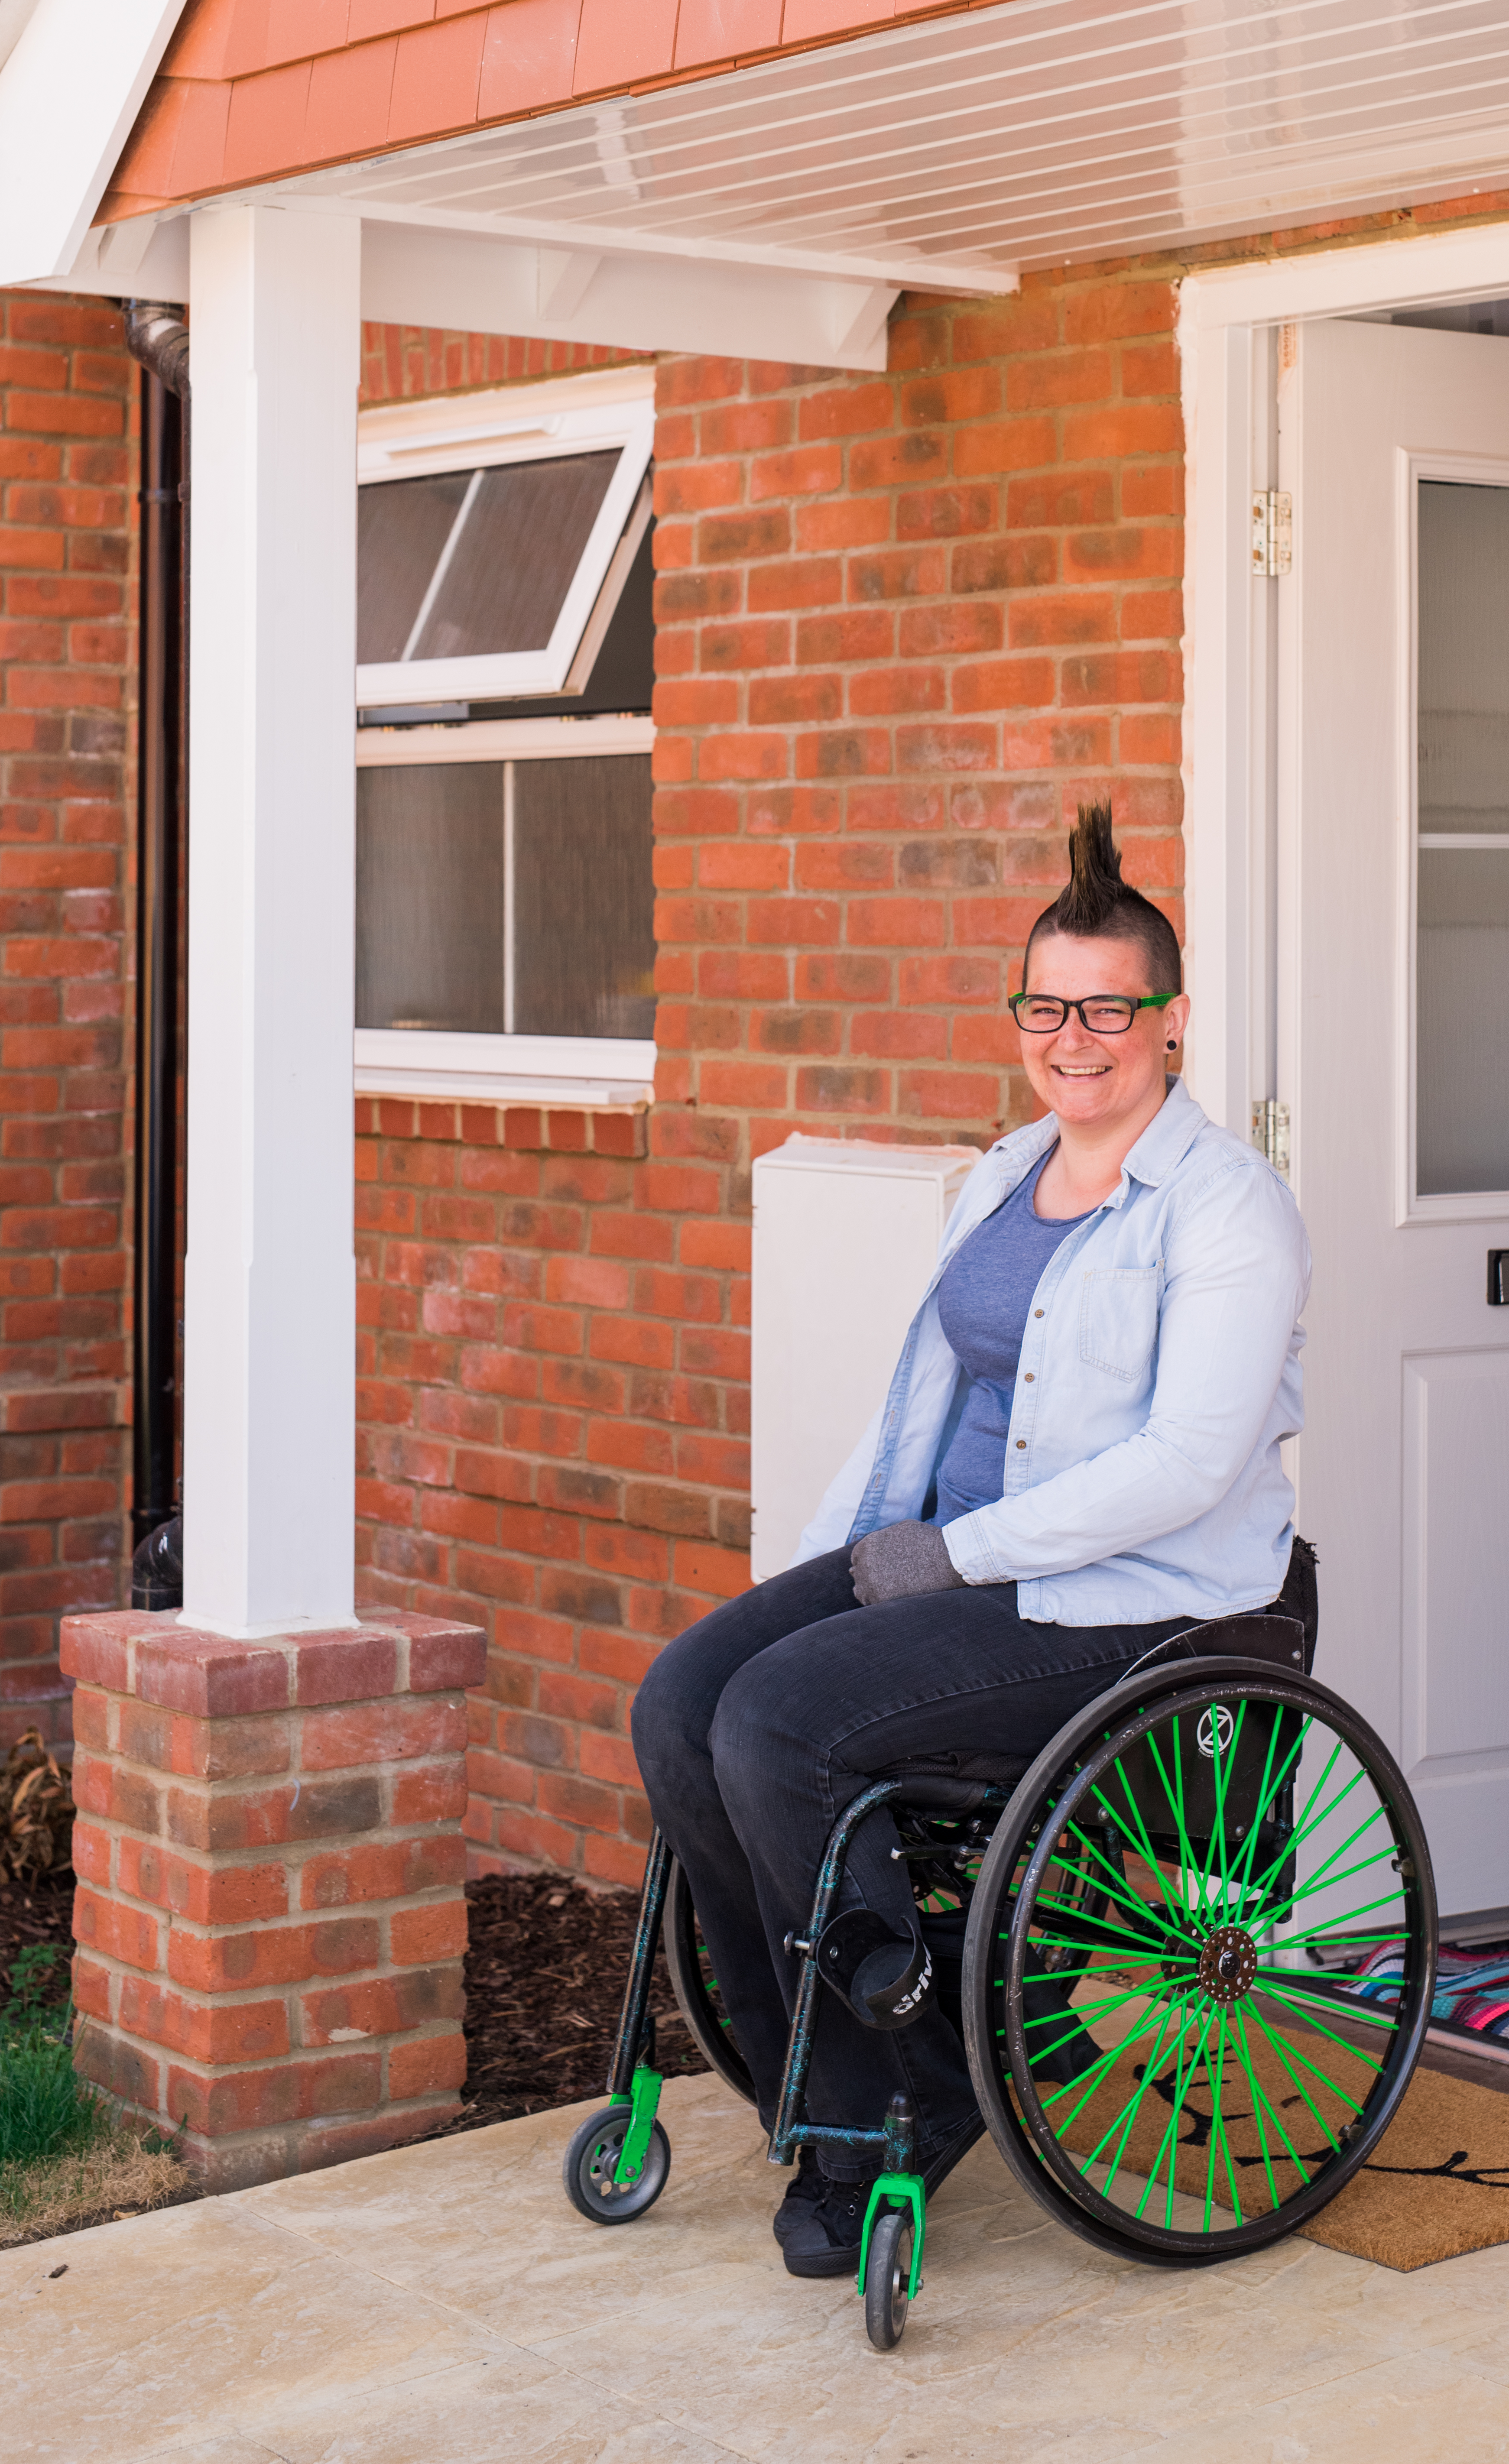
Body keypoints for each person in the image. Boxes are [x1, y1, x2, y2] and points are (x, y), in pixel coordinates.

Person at [630, 799, 1313, 2277]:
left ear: (1171, 1018)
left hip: (1125, 1598)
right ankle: (879, 2058)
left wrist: (960, 1555)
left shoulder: (1227, 1211)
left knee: (779, 1728)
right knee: (687, 1702)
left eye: (1108, 1009)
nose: (1076, 1038)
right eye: (1046, 1007)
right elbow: (912, 1412)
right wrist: (811, 1577)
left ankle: (887, 2111)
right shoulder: (1008, 1172)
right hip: (945, 1551)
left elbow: (1188, 1465)